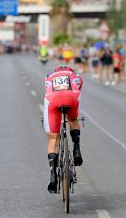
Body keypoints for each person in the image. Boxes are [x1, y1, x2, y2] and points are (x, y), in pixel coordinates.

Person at [43, 65, 83, 193]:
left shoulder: (49, 77)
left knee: (53, 138)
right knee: (72, 120)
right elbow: (79, 89)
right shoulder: (76, 76)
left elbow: (47, 89)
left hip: (53, 100)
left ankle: (53, 176)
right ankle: (76, 149)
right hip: (71, 99)